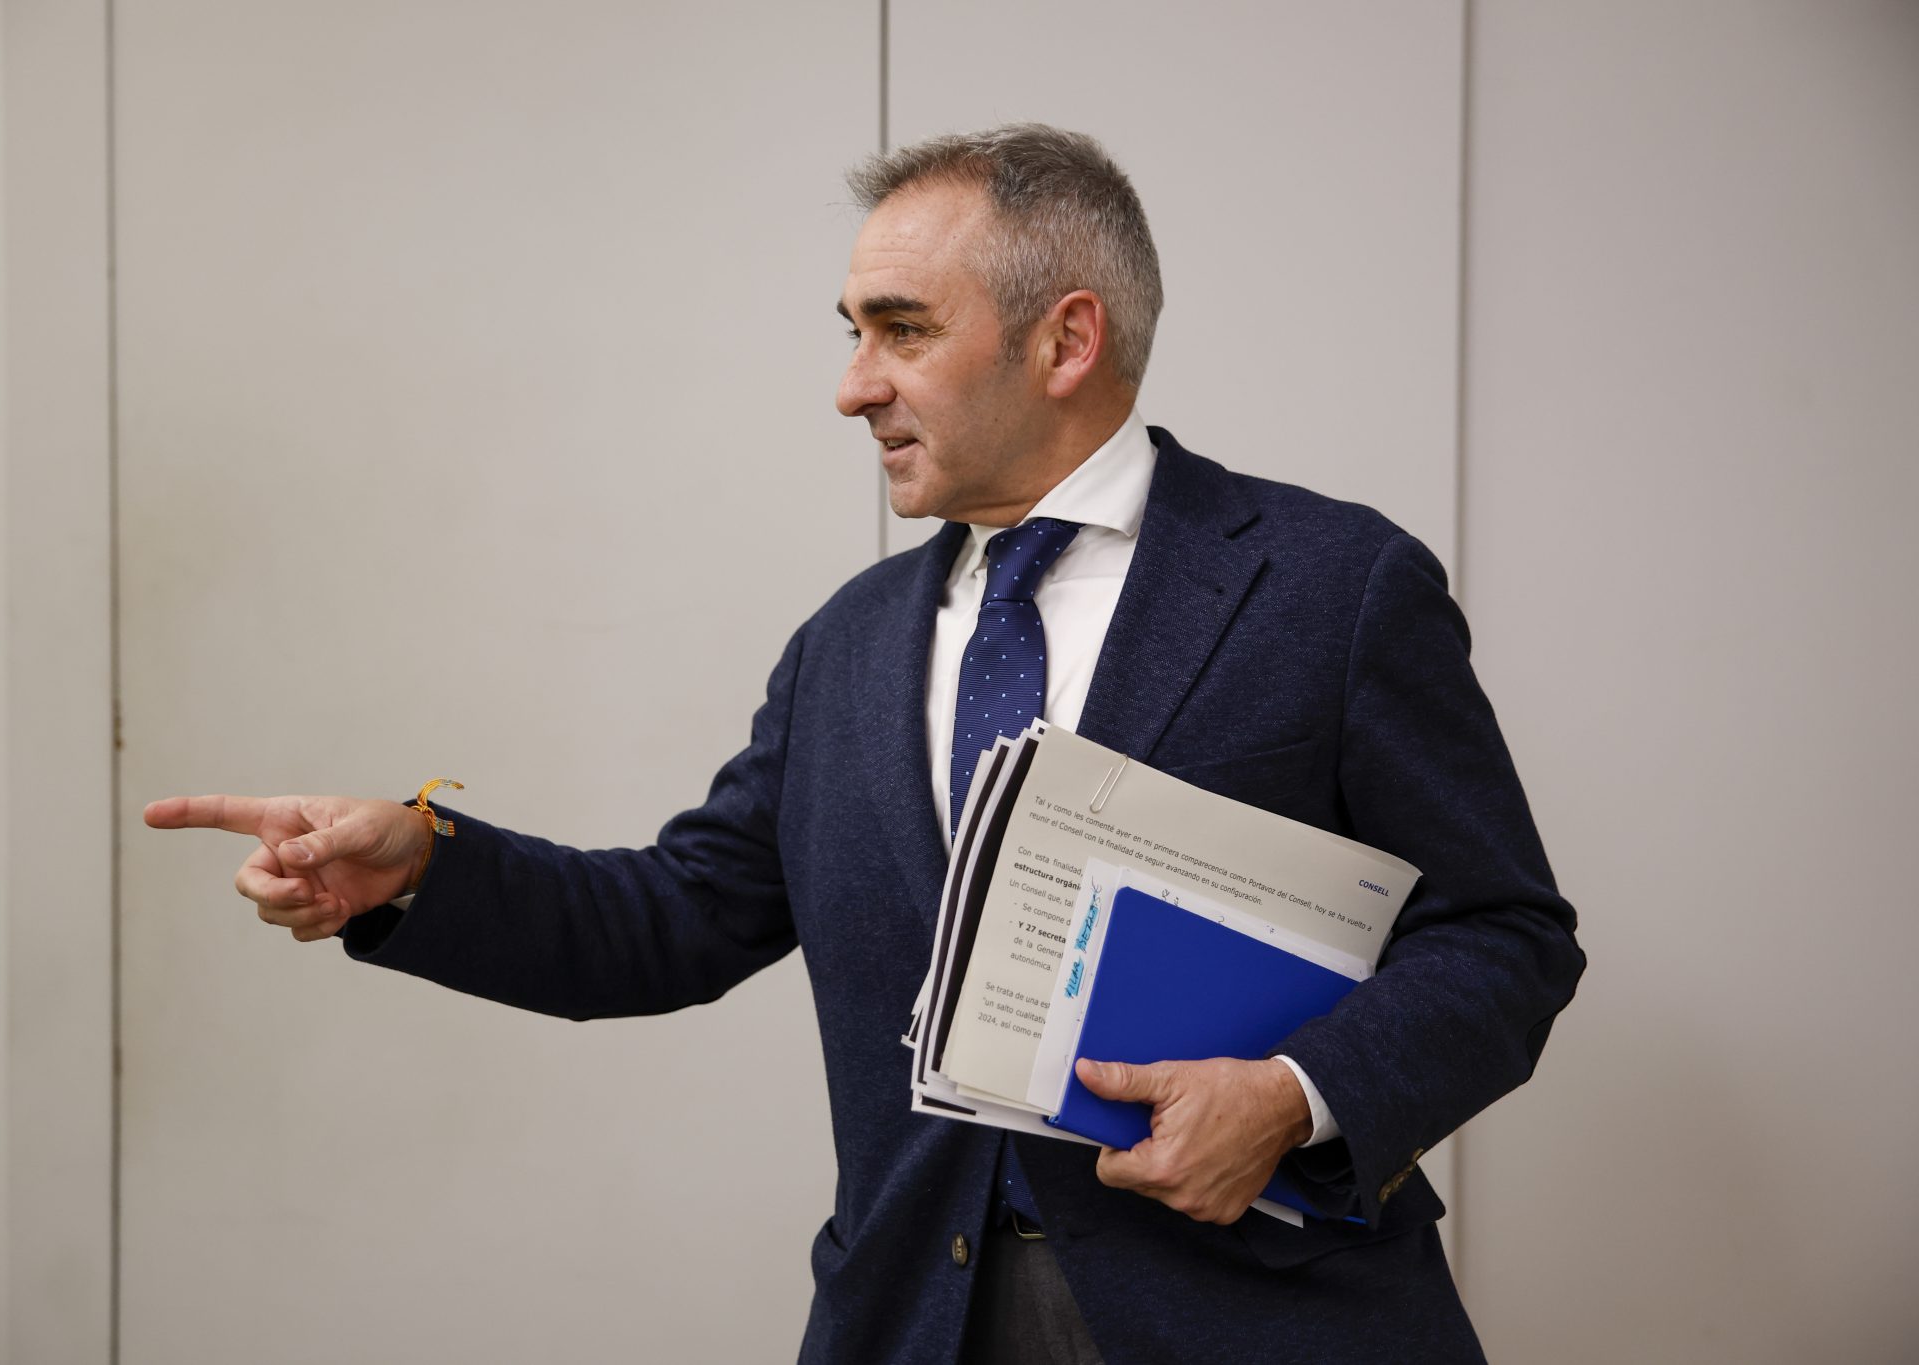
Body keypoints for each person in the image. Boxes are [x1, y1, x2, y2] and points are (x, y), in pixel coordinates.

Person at [147, 124, 1583, 1364]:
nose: (852, 384)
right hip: (912, 1317)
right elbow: (678, 917)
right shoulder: (847, 645)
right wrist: (422, 866)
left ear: (1066, 340)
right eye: (852, 332)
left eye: (901, 330)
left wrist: (1289, 1098)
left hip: (1262, 1318)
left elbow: (1505, 936)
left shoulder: (1330, 588)